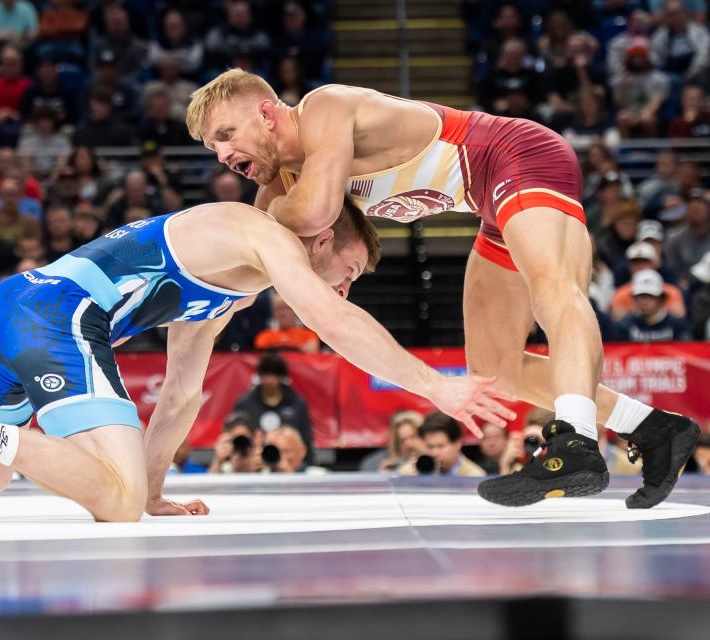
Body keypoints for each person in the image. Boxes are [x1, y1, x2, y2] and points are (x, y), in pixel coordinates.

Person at [0, 200, 513, 524]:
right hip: (54, 316)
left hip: (10, 311)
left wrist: (152, 490)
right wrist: (434, 385)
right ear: (322, 237)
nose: (344, 283)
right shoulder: (250, 232)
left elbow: (181, 394)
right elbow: (332, 318)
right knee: (104, 503)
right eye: (348, 267)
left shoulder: (228, 291)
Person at [185, 68, 700, 509]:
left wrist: (259, 221)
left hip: (518, 153)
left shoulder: (324, 108)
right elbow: (249, 276)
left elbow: (314, 213)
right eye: (213, 147)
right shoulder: (283, 185)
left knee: (554, 290)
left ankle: (577, 441)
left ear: (268, 113)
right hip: (488, 203)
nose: (223, 155)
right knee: (495, 368)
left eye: (228, 134)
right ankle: (655, 428)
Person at [231, 352, 315, 461]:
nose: (270, 380)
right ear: (260, 376)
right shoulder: (245, 403)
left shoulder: (297, 403)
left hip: (289, 462)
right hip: (252, 462)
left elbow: (305, 438)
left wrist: (308, 463)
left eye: (275, 375)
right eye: (266, 375)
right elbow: (236, 436)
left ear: (282, 377)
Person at [612, 270, 693, 342]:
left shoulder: (677, 325)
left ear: (661, 299)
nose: (645, 302)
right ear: (634, 299)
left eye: (650, 296)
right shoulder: (624, 326)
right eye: (641, 296)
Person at [398, 412, 486, 477]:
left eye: (440, 446)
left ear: (458, 443)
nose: (435, 453)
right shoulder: (408, 472)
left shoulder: (475, 476)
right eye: (430, 447)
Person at [358, 409, 425, 472]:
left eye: (413, 437)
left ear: (424, 436)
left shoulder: (434, 459)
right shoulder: (373, 464)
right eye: (401, 441)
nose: (409, 444)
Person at [253, 290, 319, 352]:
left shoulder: (308, 336)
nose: (282, 313)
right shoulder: (264, 337)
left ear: (295, 311)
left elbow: (312, 352)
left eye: (286, 308)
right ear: (273, 312)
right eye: (278, 309)